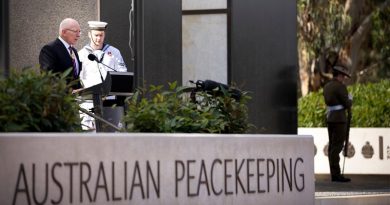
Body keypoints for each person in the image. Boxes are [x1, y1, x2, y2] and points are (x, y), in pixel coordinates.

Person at [78, 21, 127, 131]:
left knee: (112, 134)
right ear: (89, 34)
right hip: (89, 103)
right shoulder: (81, 55)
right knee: (90, 137)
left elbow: (122, 74)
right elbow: (77, 78)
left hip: (110, 103)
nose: (99, 39)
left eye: (101, 35)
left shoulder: (114, 52)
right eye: (96, 35)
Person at [323, 65, 353, 182]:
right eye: (343, 76)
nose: (344, 79)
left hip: (330, 118)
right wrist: (350, 98)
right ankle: (336, 175)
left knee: (332, 147)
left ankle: (334, 173)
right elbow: (347, 104)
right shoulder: (340, 87)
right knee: (337, 147)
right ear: (339, 76)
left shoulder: (327, 86)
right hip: (339, 119)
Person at [39, 18, 82, 89]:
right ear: (64, 32)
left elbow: (75, 77)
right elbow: (49, 78)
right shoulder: (49, 49)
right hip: (61, 98)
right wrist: (67, 92)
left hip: (76, 98)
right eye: (75, 31)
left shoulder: (74, 51)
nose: (78, 35)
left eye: (79, 32)